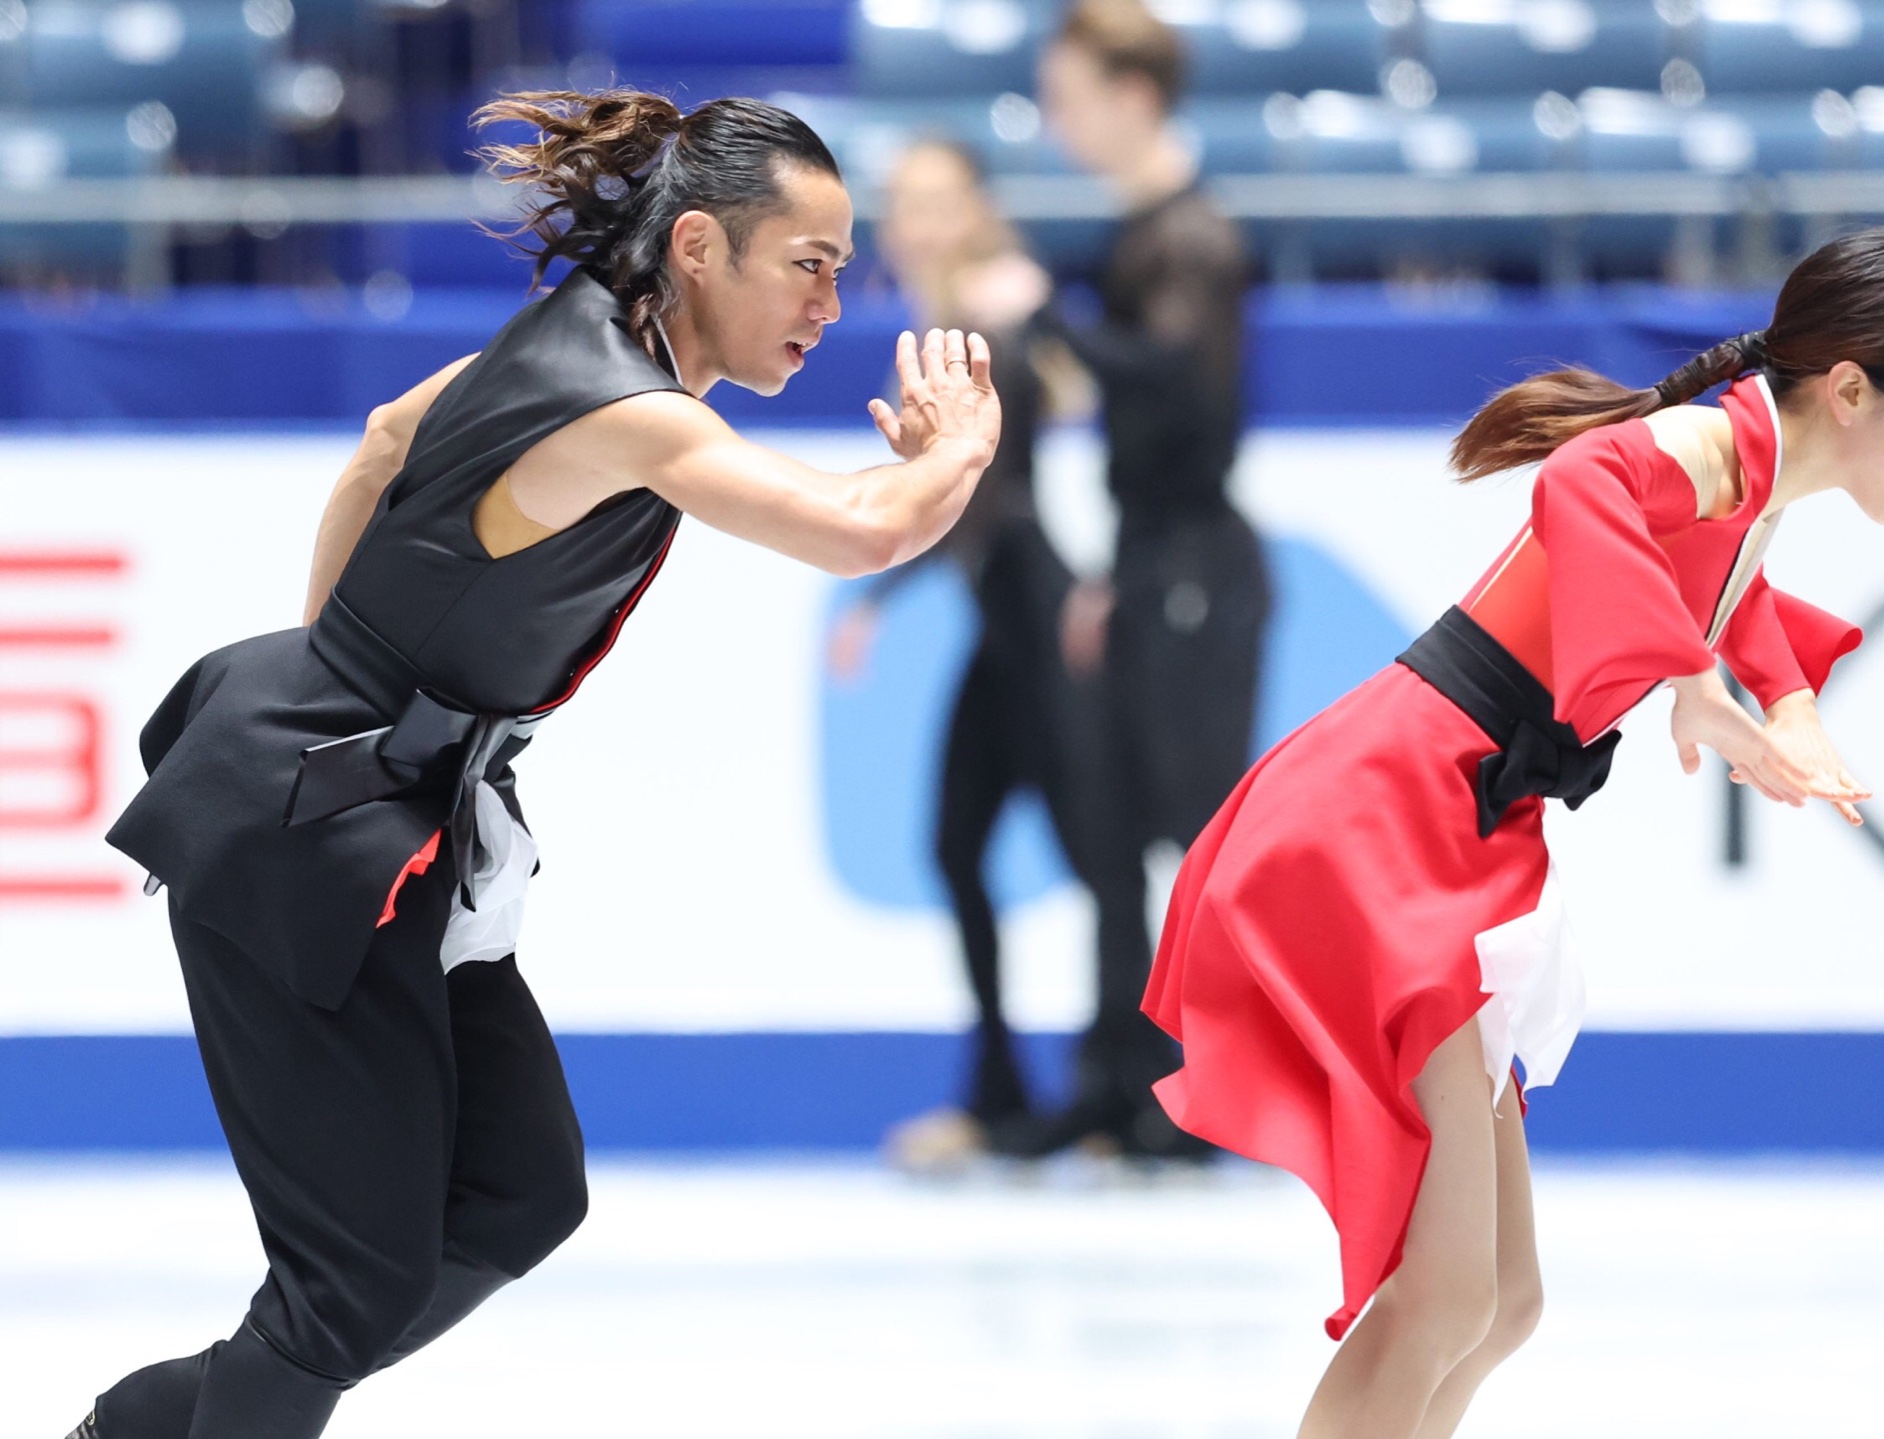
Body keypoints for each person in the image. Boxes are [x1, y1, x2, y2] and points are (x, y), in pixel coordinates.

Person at [71, 90, 1000, 1439]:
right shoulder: (628, 407)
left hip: (391, 806)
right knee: (351, 1286)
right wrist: (960, 445)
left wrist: (347, 677)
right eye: (809, 264)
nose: (830, 302)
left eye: (841, 270)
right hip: (310, 831)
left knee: (518, 1190)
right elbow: (858, 531)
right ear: (699, 246)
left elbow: (385, 439)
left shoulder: (580, 340)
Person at [1142, 227, 1884, 1438]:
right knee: (1444, 1294)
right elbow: (1579, 481)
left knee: (1501, 1301)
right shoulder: (1704, 446)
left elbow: (1726, 583)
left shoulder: (1745, 474)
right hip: (1389, 813)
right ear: (1852, 389)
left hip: (1456, 819)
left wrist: (1787, 702)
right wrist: (1690, 680)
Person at [1028, 0, 1270, 1157]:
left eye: (1067, 100)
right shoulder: (1145, 234)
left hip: (1193, 565)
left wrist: (1040, 320)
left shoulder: (1193, 238)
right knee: (1113, 827)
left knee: (1193, 834)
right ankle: (1121, 1081)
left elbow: (1177, 385)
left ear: (1131, 97)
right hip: (1145, 559)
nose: (1054, 123)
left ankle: (1209, 1093)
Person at [829, 138, 1099, 1163]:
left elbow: (997, 491)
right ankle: (999, 1094)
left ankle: (1139, 1093)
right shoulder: (954, 314)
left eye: (940, 200)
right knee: (959, 846)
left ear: (979, 208)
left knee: (1099, 860)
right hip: (1004, 626)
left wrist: (880, 588)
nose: (918, 221)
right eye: (906, 202)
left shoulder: (1002, 311)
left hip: (1038, 620)